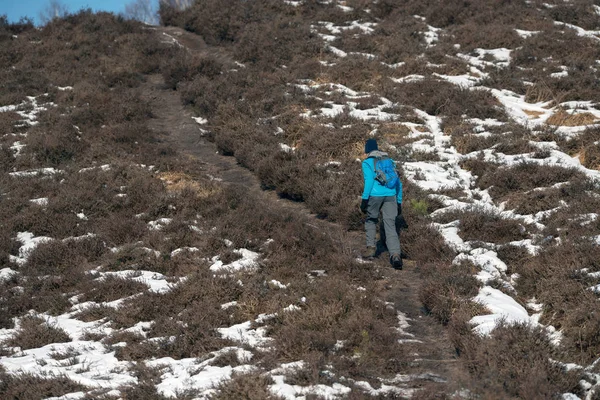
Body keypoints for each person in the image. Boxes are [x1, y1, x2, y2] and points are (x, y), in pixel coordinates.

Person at [360, 138, 403, 270]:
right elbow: (398, 182)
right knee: (390, 225)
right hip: (391, 196)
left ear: (367, 150)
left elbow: (369, 182)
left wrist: (364, 199)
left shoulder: (367, 163)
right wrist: (399, 201)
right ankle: (395, 255)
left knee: (371, 220)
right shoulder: (389, 161)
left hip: (374, 196)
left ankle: (371, 249)